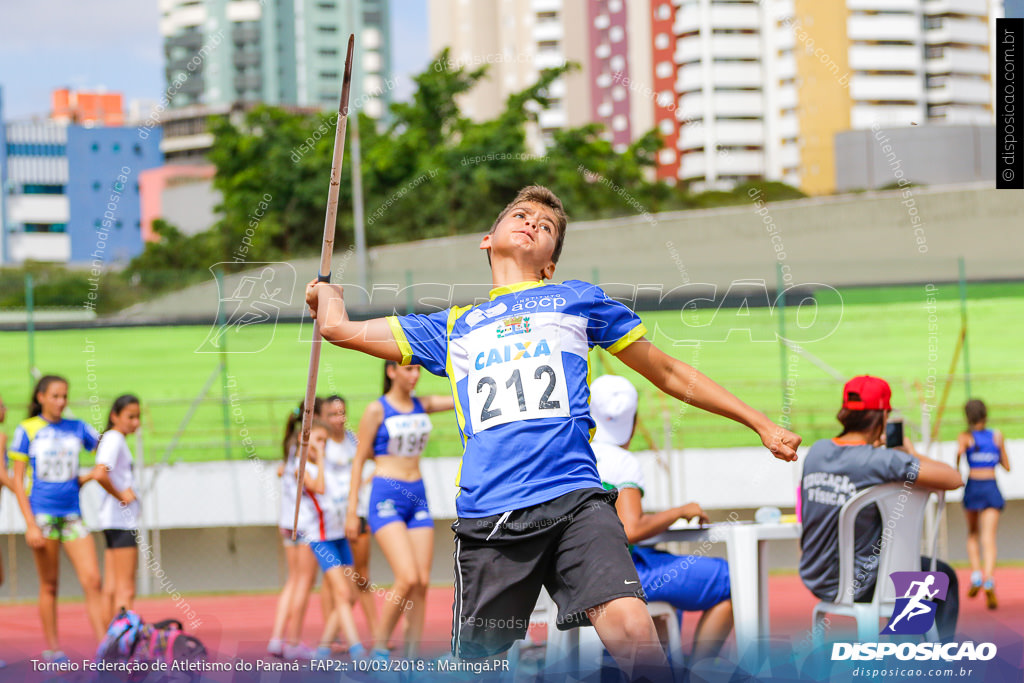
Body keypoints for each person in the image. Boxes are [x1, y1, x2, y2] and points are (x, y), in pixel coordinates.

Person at [306, 185, 799, 677]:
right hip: (490, 516)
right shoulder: (452, 327)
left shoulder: (575, 300)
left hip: (575, 502)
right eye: (520, 215)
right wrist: (328, 298)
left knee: (633, 631)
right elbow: (340, 330)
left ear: (549, 265)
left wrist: (758, 422)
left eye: (546, 227)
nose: (531, 224)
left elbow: (667, 372)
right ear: (488, 239)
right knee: (481, 668)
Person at [799, 375, 963, 640]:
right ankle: (921, 654)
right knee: (942, 576)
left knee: (892, 568)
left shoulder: (817, 451)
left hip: (817, 577)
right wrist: (909, 455)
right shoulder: (882, 461)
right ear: (882, 417)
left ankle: (904, 646)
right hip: (862, 583)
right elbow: (954, 479)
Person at [590, 375, 733, 664]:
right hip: (623, 577)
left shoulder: (575, 455)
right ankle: (696, 672)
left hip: (579, 575)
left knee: (665, 578)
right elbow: (631, 528)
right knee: (732, 580)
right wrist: (678, 511)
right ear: (632, 420)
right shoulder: (621, 461)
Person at [346, 362, 453, 660]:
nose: (415, 375)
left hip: (418, 496)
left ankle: (413, 656)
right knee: (406, 576)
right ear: (391, 371)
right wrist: (351, 511)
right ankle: (380, 647)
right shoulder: (376, 410)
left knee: (420, 581)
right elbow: (358, 461)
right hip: (386, 497)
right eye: (408, 369)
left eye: (418, 369)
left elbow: (461, 397)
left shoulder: (424, 404)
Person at [8, 375, 106, 662]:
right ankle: (53, 650)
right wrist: (30, 523)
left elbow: (107, 452)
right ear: (41, 397)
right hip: (43, 516)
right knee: (50, 584)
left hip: (73, 516)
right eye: (55, 396)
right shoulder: (27, 430)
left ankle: (104, 648)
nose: (61, 402)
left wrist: (88, 477)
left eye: (65, 396)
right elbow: (17, 480)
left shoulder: (77, 428)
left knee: (92, 580)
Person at [298, 419, 365, 661]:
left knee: (352, 595)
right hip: (322, 539)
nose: (322, 445)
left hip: (339, 535)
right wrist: (321, 456)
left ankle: (323, 649)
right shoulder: (302, 467)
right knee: (342, 593)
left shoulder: (331, 465)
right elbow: (321, 488)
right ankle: (357, 649)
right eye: (317, 440)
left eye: (324, 441)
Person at [318, 395, 377, 650]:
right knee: (333, 582)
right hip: (332, 521)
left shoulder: (354, 440)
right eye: (332, 414)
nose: (338, 419)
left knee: (361, 576)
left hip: (357, 513)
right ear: (323, 417)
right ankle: (334, 637)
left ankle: (378, 634)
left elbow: (380, 458)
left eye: (342, 413)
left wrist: (367, 484)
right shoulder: (319, 444)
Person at [269, 399, 323, 659]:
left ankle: (278, 638)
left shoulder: (290, 442)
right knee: (304, 581)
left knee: (293, 580)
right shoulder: (307, 443)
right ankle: (292, 641)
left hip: (288, 521)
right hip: (305, 523)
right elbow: (315, 484)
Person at [90, 395, 142, 623]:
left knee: (111, 588)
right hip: (121, 521)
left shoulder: (112, 439)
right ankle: (124, 648)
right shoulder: (115, 438)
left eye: (138, 417)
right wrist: (122, 495)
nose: (136, 422)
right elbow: (100, 473)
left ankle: (108, 646)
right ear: (115, 416)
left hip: (112, 521)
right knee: (126, 589)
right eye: (130, 417)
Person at [956, 399, 1009, 609]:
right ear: (985, 415)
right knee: (989, 538)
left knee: (972, 534)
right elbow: (1007, 466)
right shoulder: (996, 436)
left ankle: (976, 575)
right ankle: (989, 579)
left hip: (973, 486)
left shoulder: (965, 437)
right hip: (991, 486)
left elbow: (957, 461)